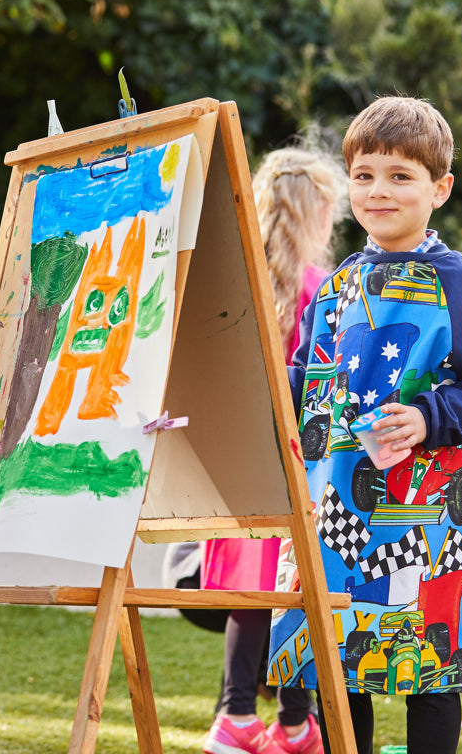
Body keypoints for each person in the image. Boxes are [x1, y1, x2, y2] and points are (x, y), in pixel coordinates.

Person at [265, 96, 462, 754]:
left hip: (425, 517)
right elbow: (305, 379)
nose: (378, 191)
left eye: (400, 176)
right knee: (337, 665)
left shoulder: (460, 283)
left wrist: (431, 414)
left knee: (425, 672)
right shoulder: (334, 287)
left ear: (439, 189)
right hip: (330, 508)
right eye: (364, 175)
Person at [202, 147, 342, 754]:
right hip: (298, 463)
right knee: (297, 591)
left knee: (251, 595)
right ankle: (291, 723)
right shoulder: (322, 288)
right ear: (317, 216)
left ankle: (237, 715)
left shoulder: (231, 277)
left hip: (234, 457)